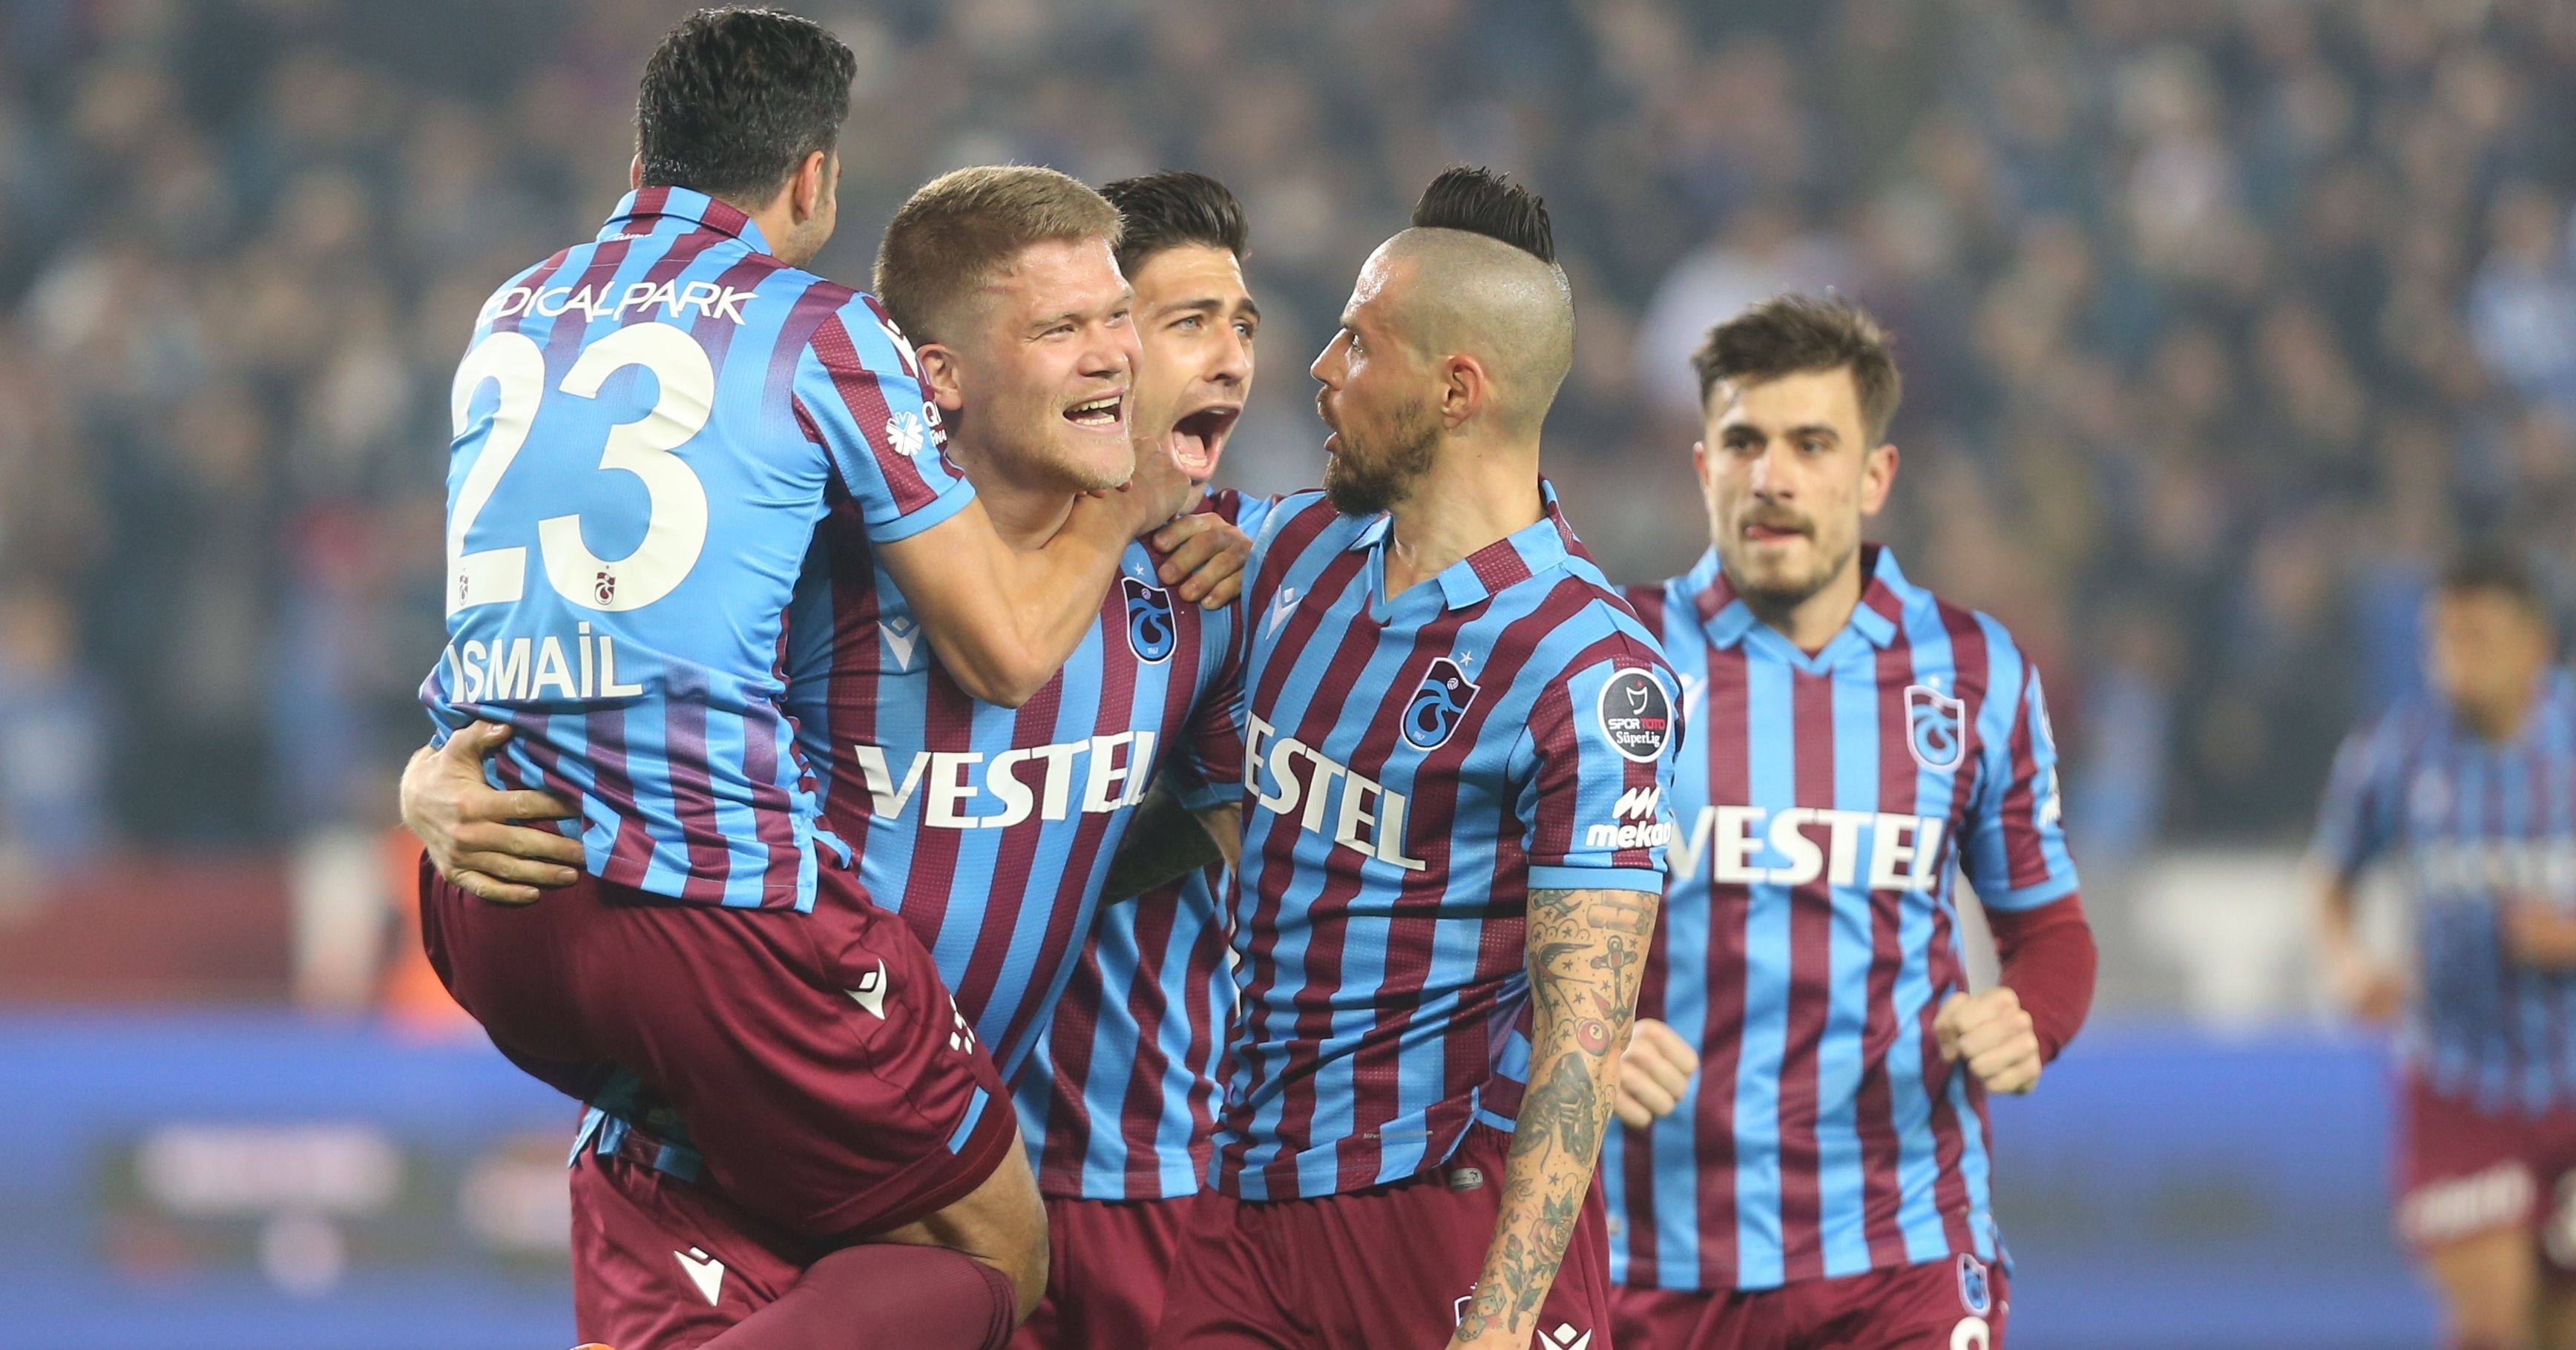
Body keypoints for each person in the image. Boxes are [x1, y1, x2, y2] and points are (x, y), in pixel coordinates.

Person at [408, 12, 1198, 1350]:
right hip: (706, 902)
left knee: (725, 1193)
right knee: (1000, 1259)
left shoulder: (512, 307)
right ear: (813, 178)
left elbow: (535, 607)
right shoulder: (820, 326)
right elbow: (1003, 652)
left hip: (486, 896)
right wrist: (1130, 511)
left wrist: (424, 775)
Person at [1134, 166, 1682, 1350]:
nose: (1322, 369)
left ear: (1456, 389)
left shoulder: (1589, 671)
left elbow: (1582, 1042)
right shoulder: (1284, 553)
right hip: (1244, 1207)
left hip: (1440, 1219)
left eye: (1357, 342)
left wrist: (1498, 1325)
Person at [1602, 295, 2097, 1350]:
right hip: (1652, 1257)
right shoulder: (1609, 662)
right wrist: (1579, 1034)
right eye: (1744, 442)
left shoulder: (1974, 674)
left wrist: (2030, 1018)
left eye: (1810, 444)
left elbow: (2048, 931)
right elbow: (1487, 922)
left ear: (1874, 476)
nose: (1771, 476)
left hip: (1903, 1252)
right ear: (1703, 468)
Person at [1006, 170, 1270, 1349]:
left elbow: (1226, 823)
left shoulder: (1251, 578)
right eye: (1190, 323)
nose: (1230, 358)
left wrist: (1018, 858)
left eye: (1242, 325)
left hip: (1153, 1179)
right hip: (934, 1179)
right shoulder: (938, 555)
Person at [2313, 545, 2576, 1350]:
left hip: (2571, 1077)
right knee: (2490, 1324)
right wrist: (2348, 961)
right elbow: (2328, 876)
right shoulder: (2393, 751)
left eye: (2481, 638)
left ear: (2535, 644)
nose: (2457, 660)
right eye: (2444, 639)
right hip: (2456, 1082)